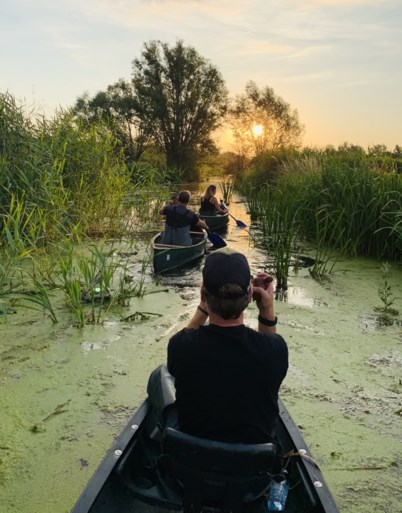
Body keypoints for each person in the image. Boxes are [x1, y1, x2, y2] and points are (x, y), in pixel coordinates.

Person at [167, 247, 288, 444]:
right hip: (254, 468)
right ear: (249, 296)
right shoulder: (274, 350)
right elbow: (271, 364)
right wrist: (267, 309)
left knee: (160, 378)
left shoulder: (181, 346)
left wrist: (202, 309)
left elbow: (187, 336)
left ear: (203, 295)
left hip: (189, 463)